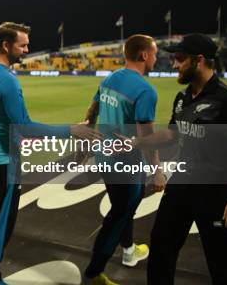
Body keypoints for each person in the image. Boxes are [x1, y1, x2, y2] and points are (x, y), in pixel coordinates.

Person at [0, 22, 103, 285]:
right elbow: (27, 127)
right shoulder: (7, 81)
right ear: (6, 45)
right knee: (0, 225)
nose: (27, 49)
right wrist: (71, 131)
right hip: (4, 164)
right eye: (23, 44)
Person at [129, 33, 227, 284]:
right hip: (182, 184)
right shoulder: (183, 97)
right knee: (161, 249)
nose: (174, 64)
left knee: (220, 263)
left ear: (199, 60)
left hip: (216, 194)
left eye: (179, 58)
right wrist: (137, 142)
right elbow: (171, 134)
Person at [81, 34, 165, 285]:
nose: (156, 58)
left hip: (104, 158)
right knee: (118, 214)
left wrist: (85, 141)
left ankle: (129, 251)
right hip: (127, 164)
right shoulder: (145, 90)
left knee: (123, 207)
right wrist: (158, 172)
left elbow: (92, 109)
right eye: (155, 53)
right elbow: (147, 137)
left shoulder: (111, 78)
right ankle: (93, 274)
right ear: (143, 55)